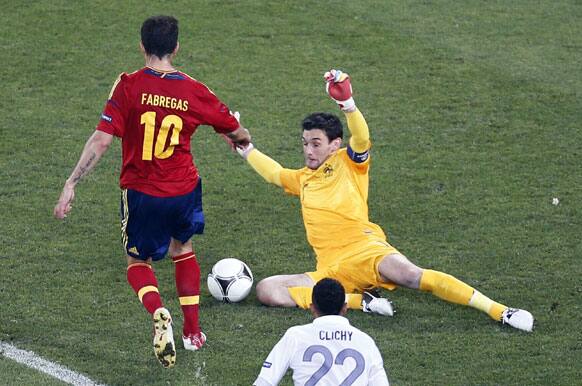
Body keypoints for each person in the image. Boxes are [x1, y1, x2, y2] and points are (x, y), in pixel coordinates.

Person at [236, 69, 534, 332]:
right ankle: (361, 302)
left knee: (410, 275)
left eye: (316, 144)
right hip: (332, 269)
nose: (308, 151)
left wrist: (348, 105)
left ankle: (501, 311)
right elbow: (274, 173)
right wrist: (245, 148)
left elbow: (362, 139)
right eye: (305, 144)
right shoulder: (303, 178)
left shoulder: (349, 163)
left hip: (366, 249)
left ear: (334, 145)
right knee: (267, 290)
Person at [54, 15, 251, 368]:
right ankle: (193, 333)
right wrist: (234, 135)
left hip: (142, 192)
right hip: (184, 189)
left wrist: (71, 183)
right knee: (183, 248)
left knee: (138, 260)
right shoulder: (194, 89)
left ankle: (158, 310)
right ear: (176, 47)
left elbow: (101, 140)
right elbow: (239, 134)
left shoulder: (128, 85)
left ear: (142, 46)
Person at [254, 278, 390, 386]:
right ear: (345, 308)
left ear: (312, 308)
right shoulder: (365, 341)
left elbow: (265, 381)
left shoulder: (295, 336)